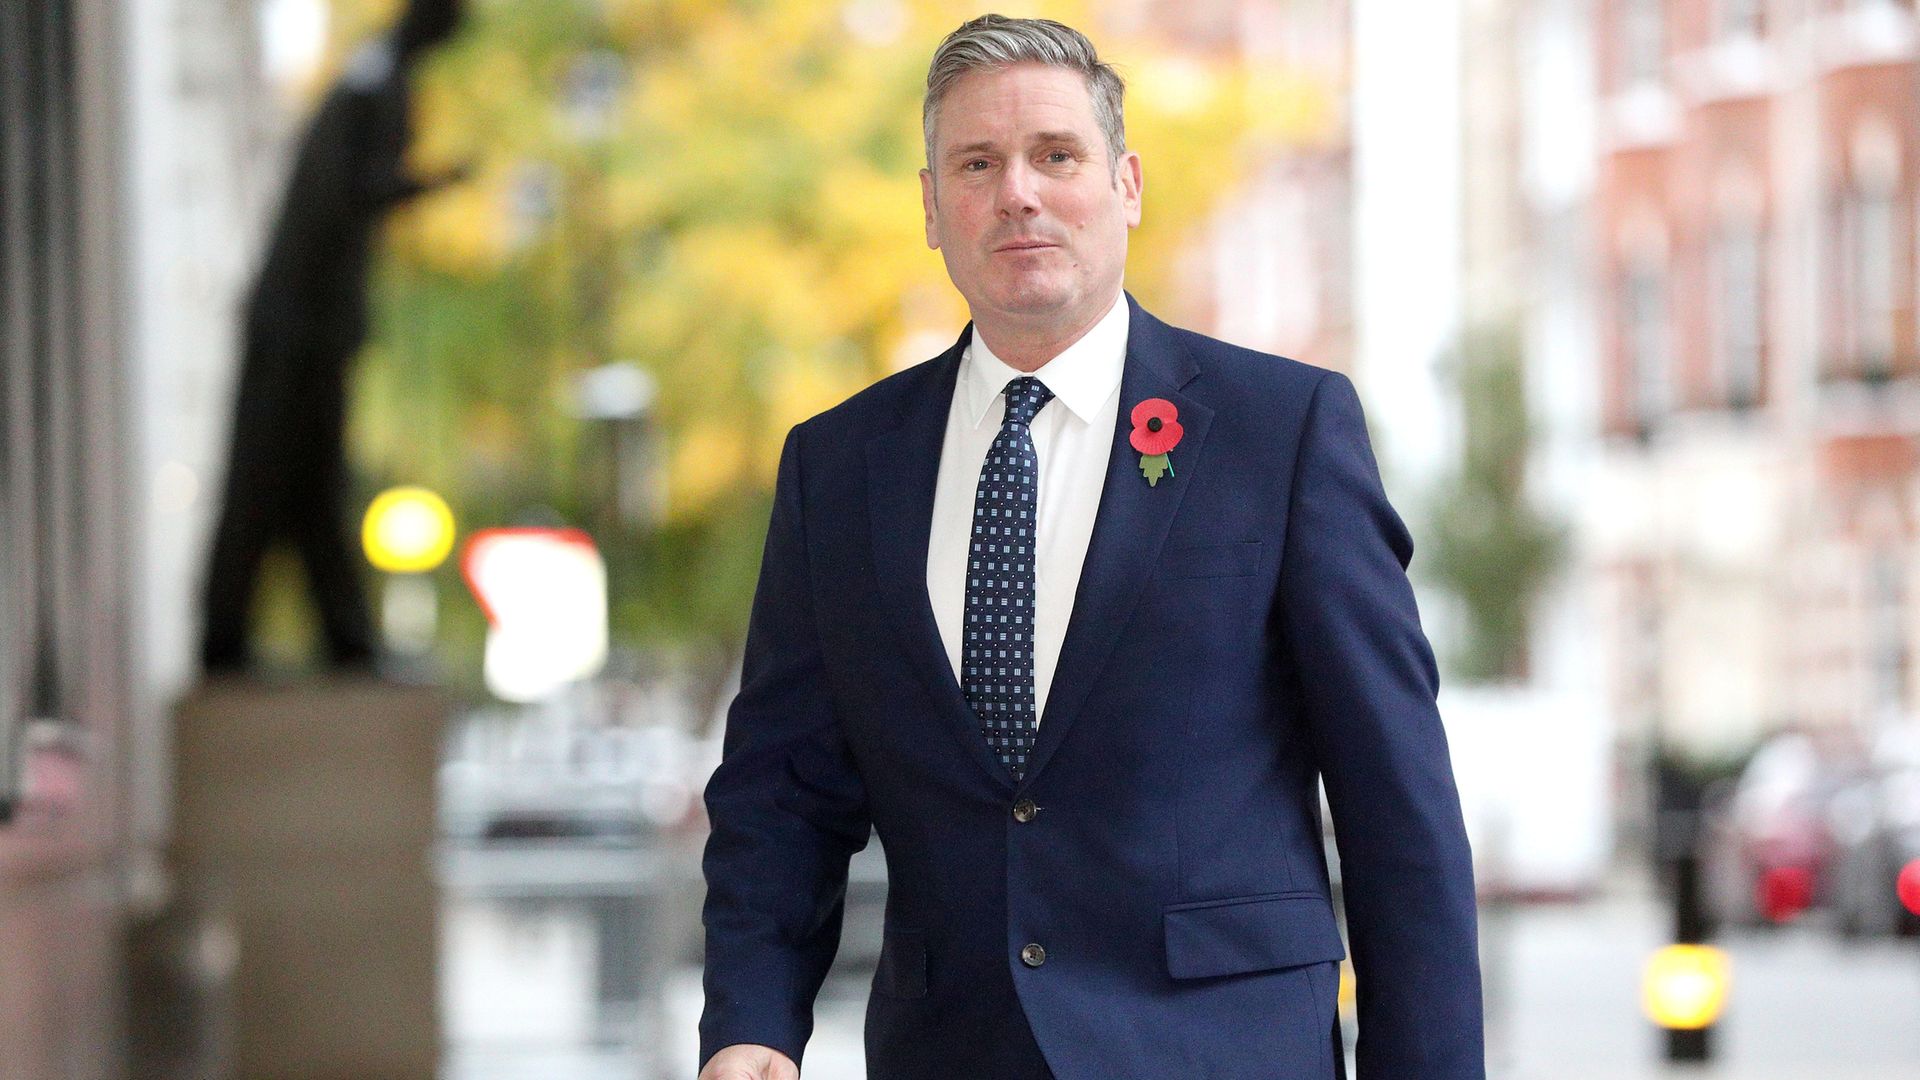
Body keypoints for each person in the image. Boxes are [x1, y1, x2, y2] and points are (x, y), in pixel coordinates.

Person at [697, 14, 1483, 1080]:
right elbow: (782, 792)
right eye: (977, 163)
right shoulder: (839, 469)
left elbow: (1400, 811)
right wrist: (751, 1023)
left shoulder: (1279, 434)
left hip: (1222, 1051)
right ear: (932, 206)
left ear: (1126, 186)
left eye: (1055, 156)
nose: (1017, 191)